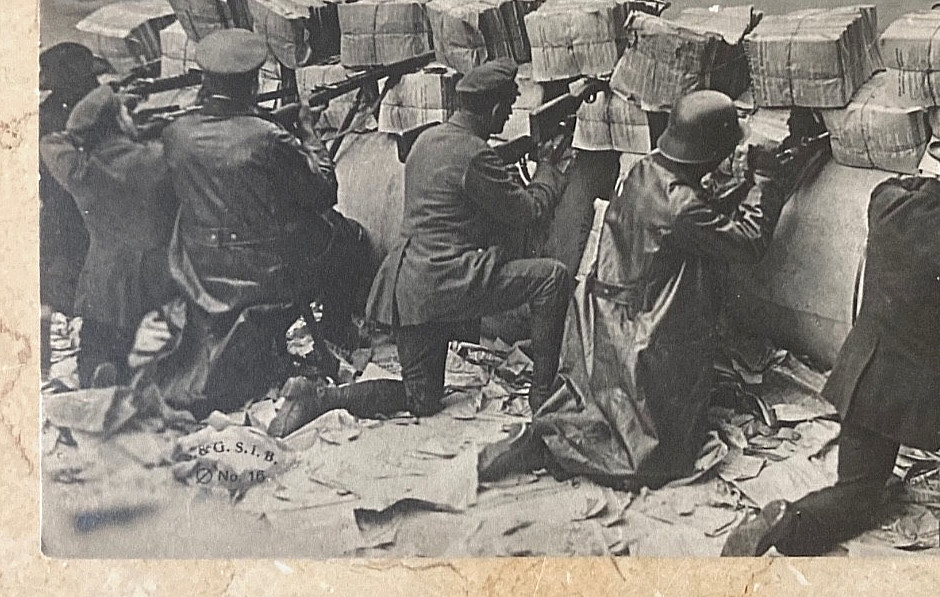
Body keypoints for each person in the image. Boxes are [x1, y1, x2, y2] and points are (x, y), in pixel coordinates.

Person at [723, 112, 940, 556]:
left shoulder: (887, 203)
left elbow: (910, 188)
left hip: (863, 382)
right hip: (918, 404)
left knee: (857, 494)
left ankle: (787, 519)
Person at [479, 90, 799, 489]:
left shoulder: (646, 170)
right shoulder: (680, 205)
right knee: (655, 454)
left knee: (599, 410)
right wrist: (766, 182)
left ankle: (549, 440)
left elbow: (697, 209)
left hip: (606, 323)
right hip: (644, 332)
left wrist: (734, 182)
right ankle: (555, 449)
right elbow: (747, 242)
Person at [270, 57, 572, 436]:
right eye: (507, 109)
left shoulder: (428, 140)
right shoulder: (475, 157)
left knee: (421, 397)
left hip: (409, 287)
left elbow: (460, 173)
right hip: (448, 283)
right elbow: (527, 210)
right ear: (494, 110)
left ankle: (320, 398)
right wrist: (549, 168)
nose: (506, 117)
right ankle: (543, 396)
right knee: (552, 279)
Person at [162, 28, 374, 412]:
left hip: (202, 268)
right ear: (253, 80)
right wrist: (307, 131)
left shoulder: (176, 134)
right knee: (349, 237)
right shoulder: (267, 140)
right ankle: (335, 332)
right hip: (267, 274)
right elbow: (324, 191)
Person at [39, 85, 179, 387]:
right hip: (162, 272)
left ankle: (100, 369)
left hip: (107, 277)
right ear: (117, 123)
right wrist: (143, 133)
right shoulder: (157, 158)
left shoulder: (81, 170)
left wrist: (85, 130)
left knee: (98, 345)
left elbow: (50, 143)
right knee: (170, 340)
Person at [39, 43, 101, 371]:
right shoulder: (96, 110)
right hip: (78, 212)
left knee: (61, 279)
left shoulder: (46, 115)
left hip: (63, 213)